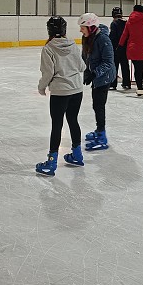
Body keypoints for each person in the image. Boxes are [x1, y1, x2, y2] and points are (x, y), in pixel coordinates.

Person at [35, 16, 87, 176]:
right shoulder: (72, 45)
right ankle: (77, 155)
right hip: (76, 90)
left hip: (60, 92)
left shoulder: (48, 48)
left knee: (57, 125)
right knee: (73, 120)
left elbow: (48, 72)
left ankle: (51, 163)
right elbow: (82, 66)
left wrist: (42, 87)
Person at [78, 13, 116, 150]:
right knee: (96, 105)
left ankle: (102, 137)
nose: (80, 30)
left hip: (104, 77)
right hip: (96, 76)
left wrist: (94, 74)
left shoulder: (103, 39)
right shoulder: (87, 38)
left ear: (91, 27)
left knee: (99, 106)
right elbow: (85, 57)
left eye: (83, 27)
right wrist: (85, 70)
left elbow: (108, 62)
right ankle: (99, 131)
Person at [119, 4, 143, 96]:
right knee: (139, 69)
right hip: (140, 48)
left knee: (136, 68)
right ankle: (140, 88)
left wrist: (120, 45)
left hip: (131, 47)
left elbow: (124, 34)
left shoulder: (129, 20)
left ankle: (140, 88)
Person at [109, 7, 130, 90]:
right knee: (125, 65)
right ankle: (126, 83)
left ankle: (113, 84)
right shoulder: (126, 22)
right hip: (124, 47)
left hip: (116, 47)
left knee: (114, 65)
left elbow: (113, 36)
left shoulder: (114, 23)